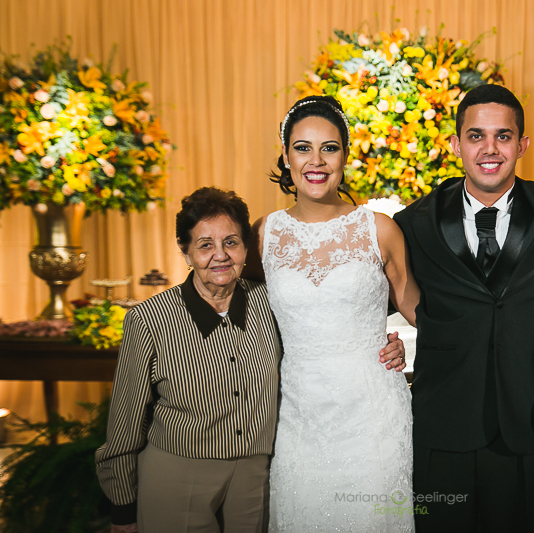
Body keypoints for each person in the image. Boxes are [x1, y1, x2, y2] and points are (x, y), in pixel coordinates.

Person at [393, 84, 534, 531]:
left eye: (503, 136)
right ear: (455, 143)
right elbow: (370, 294)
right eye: (476, 135)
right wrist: (381, 342)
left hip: (529, 423)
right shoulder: (413, 223)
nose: (490, 148)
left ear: (522, 145)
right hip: (442, 425)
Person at [250, 95, 420, 532]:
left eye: (329, 147)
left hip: (374, 413)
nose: (316, 160)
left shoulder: (379, 229)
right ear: (286, 157)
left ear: (345, 155)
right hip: (299, 416)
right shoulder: (265, 234)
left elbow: (418, 308)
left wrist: (406, 348)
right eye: (303, 147)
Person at [96, 187, 281, 532]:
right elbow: (124, 422)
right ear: (185, 252)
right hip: (176, 476)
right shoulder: (149, 320)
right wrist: (123, 510)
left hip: (255, 477)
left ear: (246, 249)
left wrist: (383, 344)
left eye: (231, 242)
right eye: (205, 245)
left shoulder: (273, 304)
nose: (220, 255)